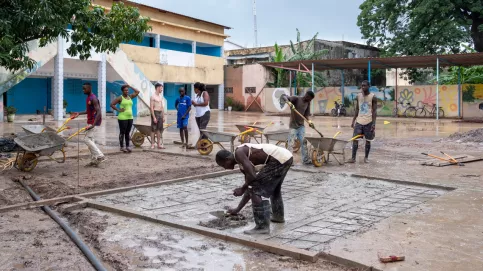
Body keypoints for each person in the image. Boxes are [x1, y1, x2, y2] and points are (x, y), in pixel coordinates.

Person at [215, 143, 293, 235]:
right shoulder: (242, 165)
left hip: (279, 159)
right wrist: (237, 209)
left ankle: (262, 227)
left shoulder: (239, 153)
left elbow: (252, 177)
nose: (224, 168)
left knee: (256, 191)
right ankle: (278, 217)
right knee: (274, 189)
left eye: (223, 164)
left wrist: (242, 189)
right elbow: (249, 186)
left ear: (227, 159)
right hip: (286, 157)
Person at [74, 82, 106, 166]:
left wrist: (93, 124)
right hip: (90, 121)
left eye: (84, 88)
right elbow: (88, 111)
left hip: (93, 122)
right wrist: (79, 113)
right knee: (91, 140)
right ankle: (94, 160)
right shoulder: (88, 98)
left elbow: (99, 112)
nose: (83, 90)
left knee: (86, 139)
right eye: (83, 88)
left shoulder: (93, 98)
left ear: (89, 88)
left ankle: (99, 155)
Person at [280, 91, 315, 165]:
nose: (310, 100)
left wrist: (309, 122)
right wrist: (289, 102)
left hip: (301, 126)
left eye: (311, 100)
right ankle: (289, 161)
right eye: (310, 99)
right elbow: (284, 96)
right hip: (293, 126)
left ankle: (305, 160)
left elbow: (306, 115)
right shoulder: (296, 99)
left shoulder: (307, 103)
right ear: (306, 95)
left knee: (304, 142)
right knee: (291, 143)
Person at [348, 80, 377, 163]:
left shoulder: (373, 97)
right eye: (362, 86)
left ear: (369, 86)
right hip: (359, 121)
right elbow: (357, 109)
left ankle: (366, 158)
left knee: (368, 140)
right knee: (355, 139)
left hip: (369, 121)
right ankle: (353, 158)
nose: (363, 87)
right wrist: (353, 120)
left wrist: (373, 124)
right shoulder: (358, 96)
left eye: (365, 86)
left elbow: (374, 111)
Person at [110, 84, 140, 153]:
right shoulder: (120, 98)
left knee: (127, 132)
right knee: (122, 132)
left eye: (127, 90)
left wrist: (130, 86)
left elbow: (137, 92)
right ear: (122, 91)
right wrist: (118, 110)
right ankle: (121, 147)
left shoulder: (130, 97)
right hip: (122, 117)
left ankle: (127, 146)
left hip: (130, 117)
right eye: (125, 90)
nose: (127, 91)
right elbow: (112, 104)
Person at [150, 83, 165, 149]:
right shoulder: (153, 96)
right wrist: (154, 117)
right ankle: (152, 144)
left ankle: (158, 144)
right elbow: (151, 108)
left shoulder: (161, 97)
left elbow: (162, 107)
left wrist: (163, 116)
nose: (162, 89)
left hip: (160, 113)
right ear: (158, 88)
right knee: (153, 129)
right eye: (161, 88)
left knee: (159, 129)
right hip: (155, 113)